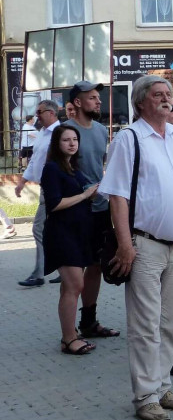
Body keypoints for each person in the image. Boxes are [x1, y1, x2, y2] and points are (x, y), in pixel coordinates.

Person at [99, 75, 173, 420]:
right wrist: (124, 245)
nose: (167, 99)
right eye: (158, 95)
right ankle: (145, 396)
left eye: (168, 94)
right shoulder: (129, 139)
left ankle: (163, 386)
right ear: (140, 103)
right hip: (144, 244)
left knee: (171, 323)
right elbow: (117, 195)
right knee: (145, 324)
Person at [66, 81, 121, 339]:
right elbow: (57, 171)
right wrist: (82, 192)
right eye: (92, 98)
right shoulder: (66, 131)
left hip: (100, 208)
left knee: (96, 265)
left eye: (98, 97)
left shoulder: (100, 130)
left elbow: (101, 166)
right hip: (76, 209)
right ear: (77, 102)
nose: (99, 102)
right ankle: (68, 331)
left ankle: (89, 321)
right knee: (75, 270)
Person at [41, 125, 97, 355]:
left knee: (69, 287)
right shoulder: (52, 169)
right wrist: (84, 195)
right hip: (61, 234)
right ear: (57, 143)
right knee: (76, 285)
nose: (72, 144)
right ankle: (68, 339)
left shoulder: (74, 168)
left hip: (78, 233)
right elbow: (54, 204)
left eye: (75, 139)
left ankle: (70, 334)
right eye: (66, 140)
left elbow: (87, 189)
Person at [16, 100, 61, 287]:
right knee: (53, 230)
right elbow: (35, 160)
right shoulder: (43, 133)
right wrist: (22, 181)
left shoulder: (60, 133)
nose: (37, 116)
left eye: (39, 112)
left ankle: (39, 274)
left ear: (51, 113)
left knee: (39, 229)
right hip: (45, 186)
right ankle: (63, 268)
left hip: (54, 187)